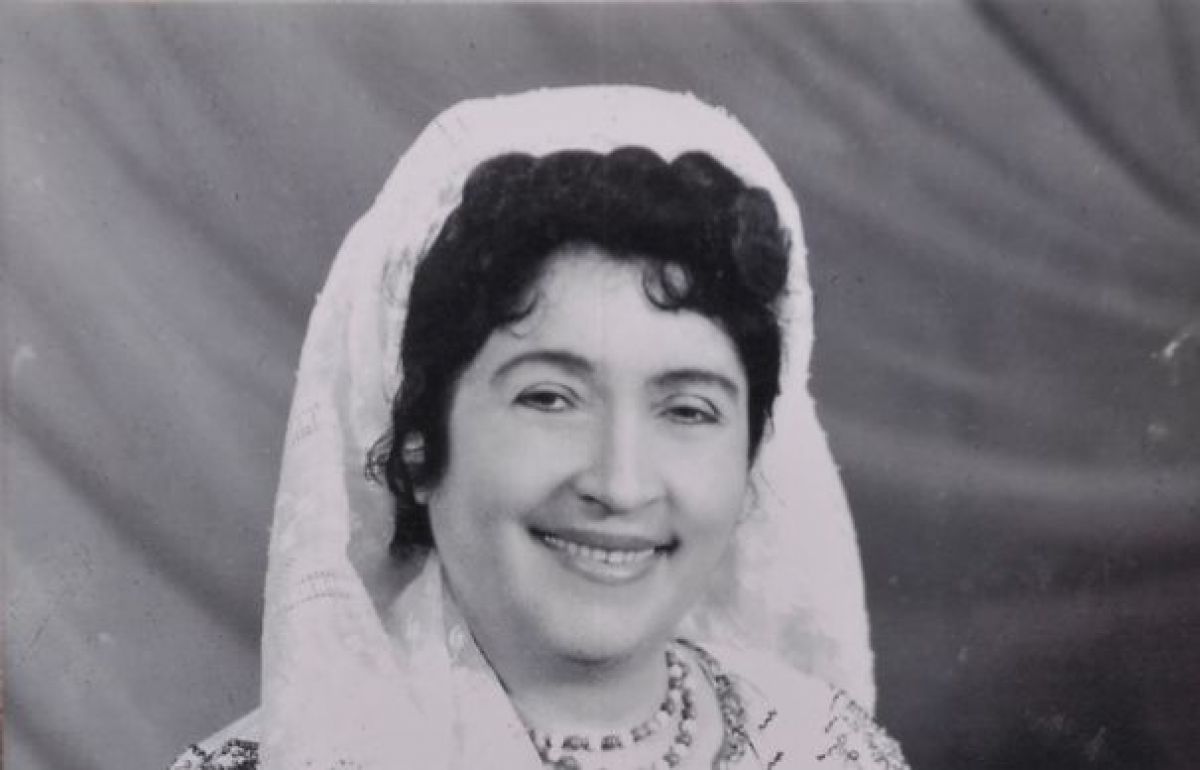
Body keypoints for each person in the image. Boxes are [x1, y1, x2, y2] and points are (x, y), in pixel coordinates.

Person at [170, 85, 909, 770]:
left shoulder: (832, 752)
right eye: (551, 398)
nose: (620, 484)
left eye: (688, 410)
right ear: (419, 445)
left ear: (749, 464)